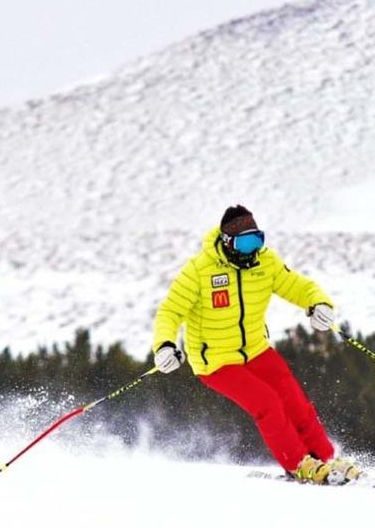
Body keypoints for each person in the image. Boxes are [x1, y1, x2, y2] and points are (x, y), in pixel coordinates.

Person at [151, 205, 360, 484]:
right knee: (268, 403)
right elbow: (170, 311)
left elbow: (298, 286)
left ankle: (325, 459)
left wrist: (319, 303)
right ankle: (299, 464)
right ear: (228, 243)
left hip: (256, 350)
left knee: (295, 402)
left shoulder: (265, 262)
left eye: (257, 240)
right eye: (245, 243)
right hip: (215, 361)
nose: (253, 249)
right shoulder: (199, 271)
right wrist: (164, 345)